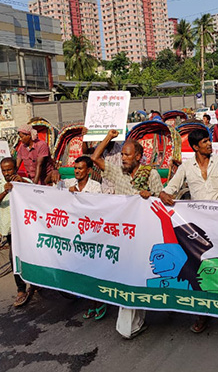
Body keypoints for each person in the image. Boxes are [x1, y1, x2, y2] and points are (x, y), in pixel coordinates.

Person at [159, 128, 218, 333]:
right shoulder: (187, 167)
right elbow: (171, 187)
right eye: (205, 142)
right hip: (197, 228)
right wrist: (164, 194)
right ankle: (202, 314)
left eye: (209, 140)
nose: (209, 144)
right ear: (196, 147)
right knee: (197, 270)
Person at [91, 129, 163, 340]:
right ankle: (132, 322)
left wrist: (149, 197)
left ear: (138, 157)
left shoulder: (151, 174)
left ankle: (137, 318)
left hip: (145, 234)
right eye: (122, 154)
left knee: (142, 276)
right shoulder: (117, 172)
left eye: (127, 155)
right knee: (129, 276)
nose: (123, 158)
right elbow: (95, 158)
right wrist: (109, 138)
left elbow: (161, 200)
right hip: (124, 236)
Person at [64, 156, 108, 321]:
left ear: (88, 170)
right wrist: (53, 173)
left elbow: (98, 209)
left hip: (92, 234)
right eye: (75, 168)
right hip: (76, 235)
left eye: (81, 168)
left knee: (95, 269)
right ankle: (90, 303)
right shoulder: (69, 184)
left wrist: (80, 198)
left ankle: (100, 302)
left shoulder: (96, 187)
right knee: (83, 271)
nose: (77, 171)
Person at [0, 157, 34, 307]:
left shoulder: (23, 180)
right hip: (10, 227)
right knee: (13, 258)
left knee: (31, 255)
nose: (7, 173)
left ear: (15, 169)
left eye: (9, 170)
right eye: (4, 170)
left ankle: (35, 282)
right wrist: (5, 191)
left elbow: (35, 193)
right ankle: (21, 289)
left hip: (25, 227)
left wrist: (20, 182)